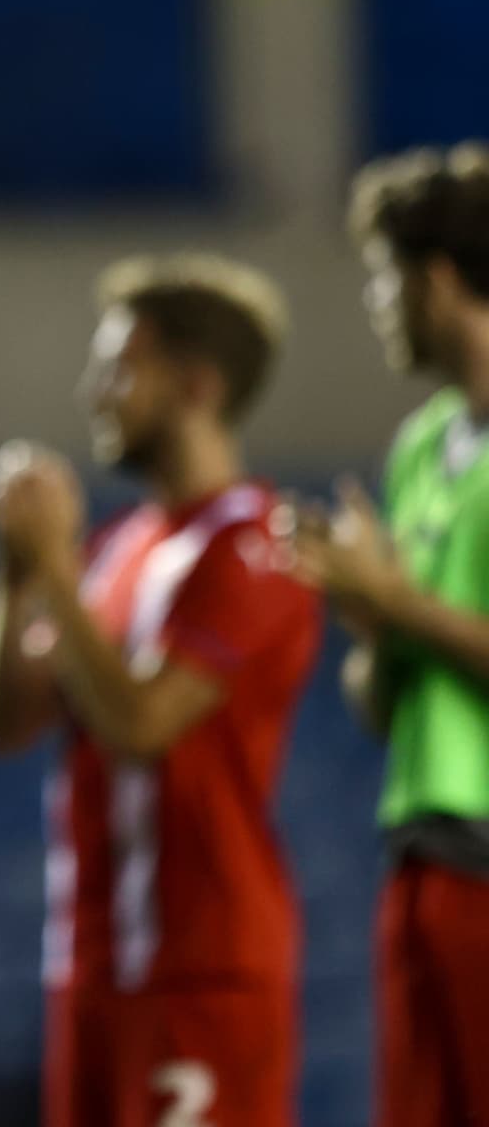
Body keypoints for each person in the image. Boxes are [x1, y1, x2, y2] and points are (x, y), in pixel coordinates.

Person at [0, 254, 320, 1127]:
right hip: (91, 968)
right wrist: (12, 575)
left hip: (201, 977)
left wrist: (53, 561)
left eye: (119, 366)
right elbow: (7, 722)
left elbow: (142, 723)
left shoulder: (253, 549)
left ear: (195, 385)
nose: (94, 392)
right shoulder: (122, 546)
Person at [295, 143, 489, 1127]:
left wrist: (399, 604)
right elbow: (383, 701)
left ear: (439, 278)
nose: (375, 304)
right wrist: (367, 619)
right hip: (422, 853)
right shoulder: (419, 448)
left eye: (383, 277)